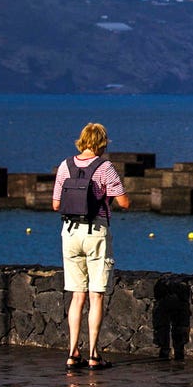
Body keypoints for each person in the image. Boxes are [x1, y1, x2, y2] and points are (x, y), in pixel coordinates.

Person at [52, 122, 130, 371]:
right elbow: (124, 202)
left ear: (82, 140)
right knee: (96, 296)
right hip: (96, 232)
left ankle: (73, 353)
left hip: (70, 232)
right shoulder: (105, 167)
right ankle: (94, 354)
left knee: (77, 296)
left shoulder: (66, 165)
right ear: (102, 143)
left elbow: (55, 204)